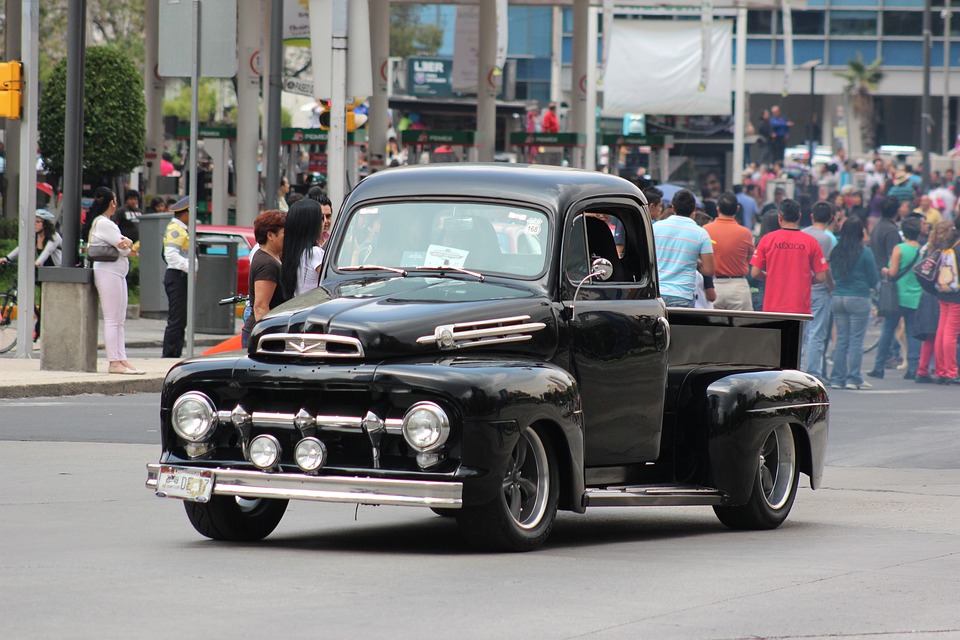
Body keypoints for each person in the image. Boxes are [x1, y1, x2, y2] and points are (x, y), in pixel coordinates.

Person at [86, 187, 142, 375]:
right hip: (108, 272)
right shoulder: (105, 224)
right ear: (112, 202)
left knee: (119, 318)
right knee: (112, 319)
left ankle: (121, 358)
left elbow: (125, 246)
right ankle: (114, 361)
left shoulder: (104, 223)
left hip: (115, 273)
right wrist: (126, 244)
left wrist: (125, 244)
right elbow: (125, 248)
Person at [867, 216, 923, 380]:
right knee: (912, 333)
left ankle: (879, 366)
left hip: (896, 296)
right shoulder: (922, 250)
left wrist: (885, 270)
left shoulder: (899, 248)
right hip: (915, 296)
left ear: (904, 232)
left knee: (888, 330)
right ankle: (913, 368)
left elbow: (892, 272)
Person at [750, 198, 829, 314]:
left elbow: (755, 273)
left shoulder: (767, 239)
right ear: (799, 217)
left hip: (772, 306)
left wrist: (770, 277)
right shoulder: (811, 242)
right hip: (800, 307)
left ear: (779, 218)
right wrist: (803, 280)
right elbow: (821, 277)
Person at [828, 216, 879, 390]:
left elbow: (832, 273)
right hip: (858, 298)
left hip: (838, 297)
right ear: (860, 232)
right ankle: (854, 378)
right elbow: (873, 279)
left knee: (841, 340)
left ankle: (837, 378)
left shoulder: (836, 251)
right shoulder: (865, 252)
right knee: (856, 340)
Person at [652, 188, 715, 308]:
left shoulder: (655, 228)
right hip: (683, 296)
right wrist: (695, 262)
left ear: (673, 208)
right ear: (694, 209)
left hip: (657, 293)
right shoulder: (701, 233)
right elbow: (709, 270)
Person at [800, 201, 838, 379]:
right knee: (817, 332)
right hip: (820, 287)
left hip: (802, 286)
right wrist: (832, 286)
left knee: (802, 330)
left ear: (812, 216)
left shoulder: (802, 234)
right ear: (831, 218)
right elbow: (827, 267)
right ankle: (812, 371)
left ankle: (798, 368)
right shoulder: (828, 238)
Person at [241, 209, 287, 348]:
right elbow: (260, 306)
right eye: (285, 233)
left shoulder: (270, 257)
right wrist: (268, 338)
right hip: (260, 336)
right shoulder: (267, 264)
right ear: (270, 235)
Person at [704, 192, 754, 310]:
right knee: (742, 326)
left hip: (712, 286)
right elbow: (749, 258)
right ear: (737, 209)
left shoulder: (705, 230)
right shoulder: (745, 233)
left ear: (718, 208)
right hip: (738, 287)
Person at [161, 197, 194, 359]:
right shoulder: (177, 230)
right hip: (177, 277)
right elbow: (171, 255)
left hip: (181, 277)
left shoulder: (183, 229)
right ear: (185, 214)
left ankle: (175, 354)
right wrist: (191, 269)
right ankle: (169, 355)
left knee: (181, 320)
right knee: (176, 320)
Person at [930, 217, 960, 384]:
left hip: (943, 291)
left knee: (942, 330)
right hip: (956, 294)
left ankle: (941, 368)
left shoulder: (950, 242)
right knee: (951, 332)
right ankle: (951, 370)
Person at [280, 199, 325, 299]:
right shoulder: (315, 253)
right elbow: (332, 281)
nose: (325, 222)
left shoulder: (291, 254)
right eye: (321, 218)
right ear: (312, 224)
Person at [870, 196, 902, 272]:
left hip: (877, 270)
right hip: (886, 273)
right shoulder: (891, 230)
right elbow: (893, 257)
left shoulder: (877, 225)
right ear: (897, 211)